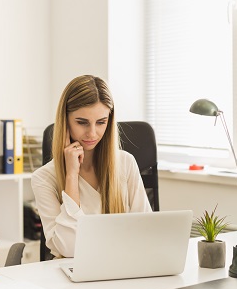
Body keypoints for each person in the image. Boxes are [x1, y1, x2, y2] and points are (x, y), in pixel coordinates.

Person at [31, 75, 152, 258]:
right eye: (82, 122)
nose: (92, 133)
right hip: (74, 276)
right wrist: (71, 175)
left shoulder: (126, 163)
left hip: (123, 269)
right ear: (65, 121)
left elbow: (146, 232)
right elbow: (69, 249)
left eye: (101, 122)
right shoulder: (44, 178)